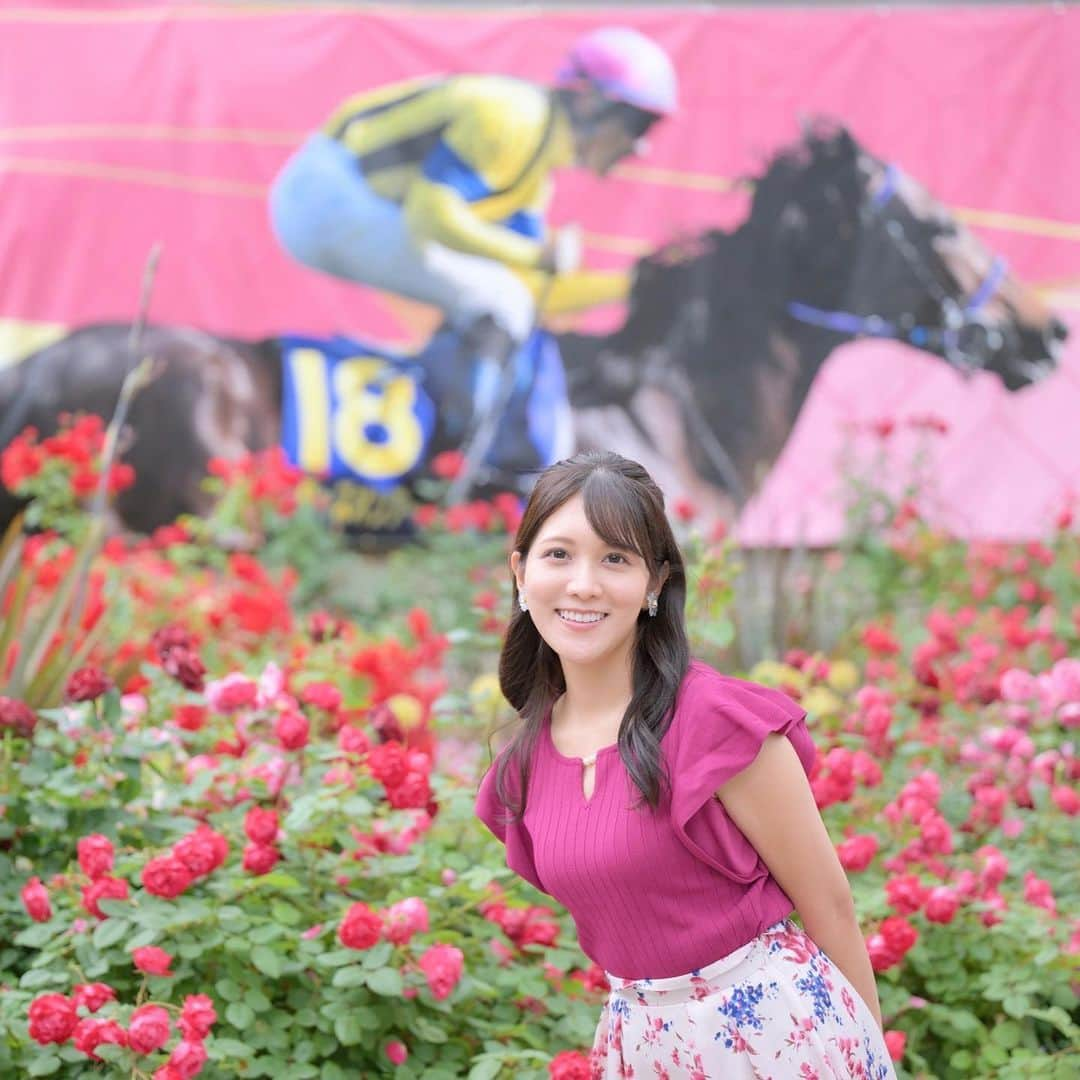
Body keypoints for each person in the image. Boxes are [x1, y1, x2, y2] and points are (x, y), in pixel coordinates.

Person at [475, 451, 897, 1078]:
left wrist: (869, 1055)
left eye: (615, 558)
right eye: (558, 554)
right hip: (641, 1044)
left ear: (654, 583)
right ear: (521, 571)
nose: (584, 584)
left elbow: (829, 903)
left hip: (775, 1034)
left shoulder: (715, 722)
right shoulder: (522, 769)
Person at [267, 28, 676, 490]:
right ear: (589, 103)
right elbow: (430, 215)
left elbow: (539, 289)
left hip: (336, 200)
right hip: (321, 198)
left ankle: (449, 443)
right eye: (638, 125)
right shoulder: (513, 117)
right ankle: (460, 460)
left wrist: (635, 285)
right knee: (500, 300)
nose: (640, 147)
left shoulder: (532, 162)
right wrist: (532, 252)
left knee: (508, 300)